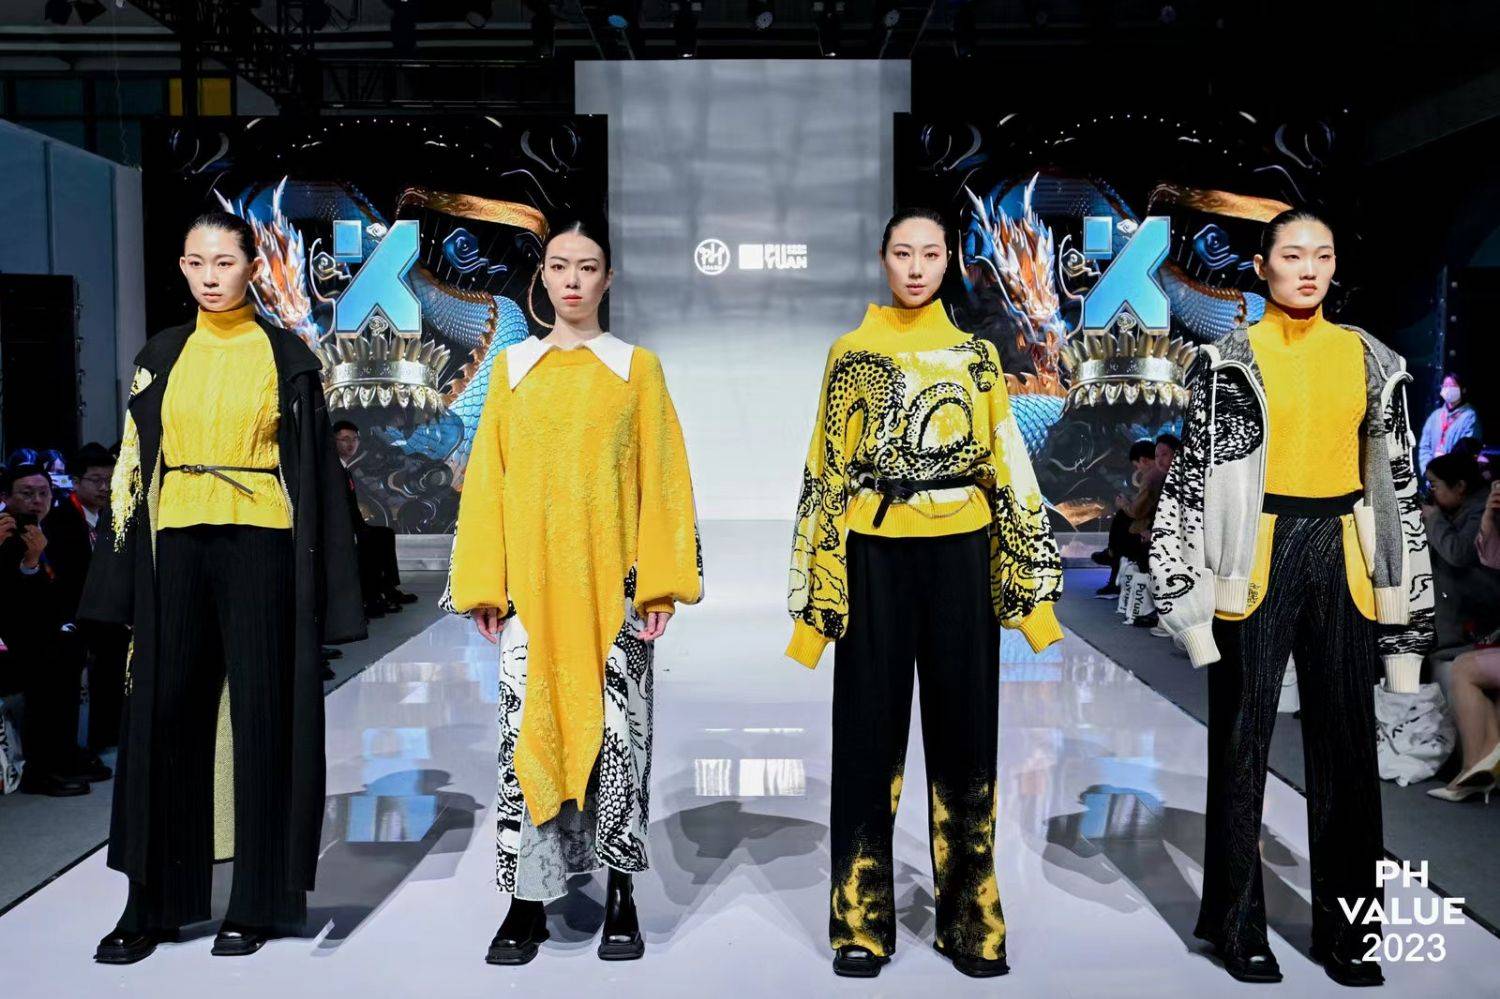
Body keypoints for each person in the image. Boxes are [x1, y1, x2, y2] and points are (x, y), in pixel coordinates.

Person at [1149, 209, 1435, 987]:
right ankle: (1237, 925)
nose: (1309, 269)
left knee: (1349, 751)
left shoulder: (1372, 358)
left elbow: (1398, 483)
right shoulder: (1227, 359)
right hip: (1256, 555)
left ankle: (1353, 934)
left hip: (1343, 553)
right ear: (1261, 264)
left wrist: (1408, 625)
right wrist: (1188, 607)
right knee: (1240, 746)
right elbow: (1190, 482)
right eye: (1293, 255)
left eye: (1323, 255)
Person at [80, 211, 364, 964]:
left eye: (225, 261)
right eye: (196, 262)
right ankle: (154, 902)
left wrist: (332, 591)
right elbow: (131, 466)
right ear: (181, 266)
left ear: (252, 267)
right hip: (174, 543)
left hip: (261, 543)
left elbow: (316, 476)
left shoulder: (287, 357)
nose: (210, 276)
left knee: (263, 717)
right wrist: (115, 582)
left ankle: (256, 900)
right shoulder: (160, 355)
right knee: (162, 716)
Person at [786, 207, 1063, 980]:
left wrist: (1033, 603)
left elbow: (1009, 468)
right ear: (883, 259)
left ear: (949, 262)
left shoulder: (979, 357)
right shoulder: (849, 353)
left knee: (967, 737)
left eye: (930, 253)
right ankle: (859, 921)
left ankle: (972, 919)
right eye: (903, 253)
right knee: (865, 738)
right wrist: (815, 612)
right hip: (872, 552)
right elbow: (823, 473)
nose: (915, 267)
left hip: (961, 554)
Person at [444, 218, 702, 966]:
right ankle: (526, 899)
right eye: (560, 265)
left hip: (613, 593)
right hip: (531, 595)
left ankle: (622, 892)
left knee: (621, 742)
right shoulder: (512, 369)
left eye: (588, 267)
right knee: (525, 737)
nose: (573, 280)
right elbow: (486, 481)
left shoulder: (637, 370)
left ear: (607, 279)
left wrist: (660, 585)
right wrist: (485, 582)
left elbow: (664, 478)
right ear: (543, 275)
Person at [0, 462, 102, 796]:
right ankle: (41, 769)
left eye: (43, 493)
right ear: (6, 497)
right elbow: (11, 600)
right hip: (10, 633)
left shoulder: (52, 529)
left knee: (71, 647)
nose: (36, 501)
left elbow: (61, 591)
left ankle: (64, 753)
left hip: (41, 627)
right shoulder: (4, 532)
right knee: (50, 659)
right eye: (26, 493)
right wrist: (29, 562)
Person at [45, 443, 128, 752]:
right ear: (76, 481)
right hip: (75, 612)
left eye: (110, 479)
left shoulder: (116, 516)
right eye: (96, 480)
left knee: (115, 663)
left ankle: (107, 736)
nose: (104, 487)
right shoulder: (60, 520)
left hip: (108, 612)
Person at [332, 419, 417, 618]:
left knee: (385, 534)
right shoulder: (333, 470)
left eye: (354, 439)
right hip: (340, 529)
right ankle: (372, 597)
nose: (351, 444)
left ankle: (389, 589)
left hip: (354, 525)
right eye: (345, 439)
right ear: (333, 441)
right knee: (369, 541)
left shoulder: (344, 468)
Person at [1423, 453, 1500, 647]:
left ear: (1459, 486)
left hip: (1475, 628)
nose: (1430, 492)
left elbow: (1459, 553)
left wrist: (1434, 519)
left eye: (1434, 485)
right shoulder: (1457, 510)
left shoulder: (1484, 511)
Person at [1092, 439, 1160, 597]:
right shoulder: (1158, 474)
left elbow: (1137, 512)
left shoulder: (1151, 477)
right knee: (1122, 521)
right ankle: (1112, 553)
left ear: (1143, 460)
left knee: (1122, 520)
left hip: (1149, 528)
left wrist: (1124, 504)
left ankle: (1112, 554)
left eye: (1137, 466)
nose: (1138, 470)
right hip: (1151, 524)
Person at [1418, 373, 1481, 476]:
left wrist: (1447, 474)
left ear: (1463, 389)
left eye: (1452, 386)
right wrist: (1427, 471)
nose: (1448, 389)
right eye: (1445, 386)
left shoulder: (1469, 416)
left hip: (1455, 476)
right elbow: (1424, 446)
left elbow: (1466, 450)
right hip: (1433, 476)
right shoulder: (1435, 415)